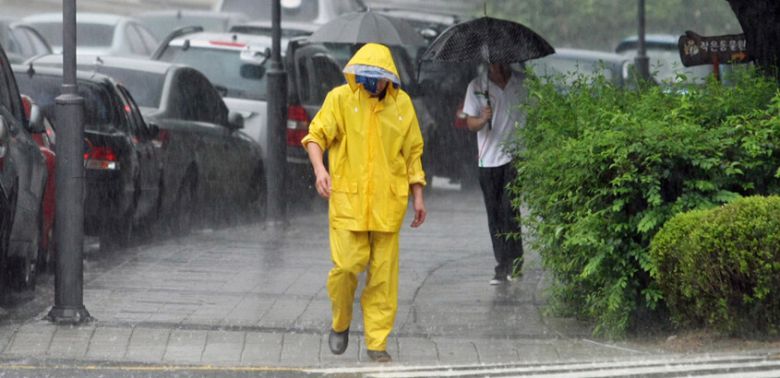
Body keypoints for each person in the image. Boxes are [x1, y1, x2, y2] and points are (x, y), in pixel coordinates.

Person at [301, 43, 427, 363]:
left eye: (378, 77)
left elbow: (412, 153)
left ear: (389, 78)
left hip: (388, 204)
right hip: (349, 204)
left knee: (384, 278)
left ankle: (377, 343)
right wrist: (320, 170)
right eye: (367, 76)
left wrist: (418, 195)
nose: (372, 83)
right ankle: (340, 322)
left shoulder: (402, 105)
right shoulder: (340, 99)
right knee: (345, 268)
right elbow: (315, 136)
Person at [462, 63, 525, 285]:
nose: (497, 65)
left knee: (510, 210)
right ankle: (503, 263)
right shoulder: (477, 86)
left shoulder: (522, 83)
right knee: (495, 214)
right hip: (488, 160)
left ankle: (514, 263)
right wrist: (482, 119)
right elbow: (470, 123)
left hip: (515, 157)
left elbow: (536, 113)